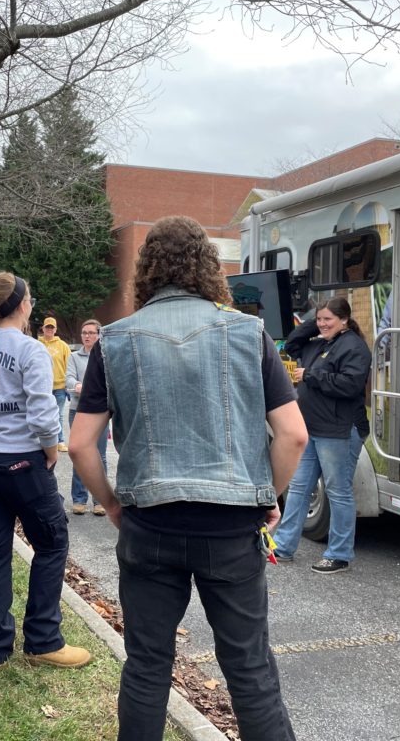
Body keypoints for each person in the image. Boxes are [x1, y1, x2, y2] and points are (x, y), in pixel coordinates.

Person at [68, 216, 307, 741]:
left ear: (146, 270)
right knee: (249, 671)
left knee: (147, 667)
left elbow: (81, 444)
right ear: (207, 267)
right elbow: (293, 436)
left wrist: (110, 503)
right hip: (230, 529)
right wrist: (268, 493)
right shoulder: (249, 333)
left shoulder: (114, 340)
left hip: (150, 525)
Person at [0, 272, 91, 670]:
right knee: (51, 543)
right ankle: (43, 640)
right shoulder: (31, 351)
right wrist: (49, 453)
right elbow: (45, 418)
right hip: (24, 461)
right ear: (23, 305)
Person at [271, 297, 372, 574]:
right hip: (313, 428)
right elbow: (292, 343)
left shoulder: (354, 347)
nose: (322, 324)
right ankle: (283, 546)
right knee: (299, 488)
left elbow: (350, 385)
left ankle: (339, 554)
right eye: (319, 319)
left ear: (345, 319)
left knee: (338, 491)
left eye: (328, 319)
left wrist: (311, 376)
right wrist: (313, 321)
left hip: (339, 430)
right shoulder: (319, 343)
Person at [66, 319, 108, 516]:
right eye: (84, 333)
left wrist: (88, 388)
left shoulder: (105, 356)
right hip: (78, 410)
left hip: (100, 412)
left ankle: (100, 501)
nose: (87, 336)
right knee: (79, 454)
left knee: (100, 455)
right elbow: (69, 379)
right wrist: (77, 386)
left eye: (91, 332)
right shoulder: (74, 357)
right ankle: (79, 499)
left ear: (99, 335)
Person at [38, 316, 72, 451]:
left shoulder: (63, 346)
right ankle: (42, 441)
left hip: (59, 386)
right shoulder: (37, 344)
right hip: (41, 386)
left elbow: (69, 366)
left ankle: (59, 441)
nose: (49, 330)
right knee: (41, 414)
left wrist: (68, 385)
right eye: (47, 327)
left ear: (55, 329)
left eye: (52, 327)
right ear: (43, 328)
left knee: (58, 415)